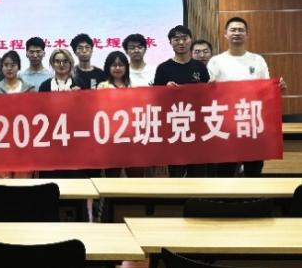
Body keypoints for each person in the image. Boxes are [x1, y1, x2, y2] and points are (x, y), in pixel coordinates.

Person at [208, 17, 287, 177]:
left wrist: (278, 89)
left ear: (247, 34)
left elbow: (266, 90)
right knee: (224, 172)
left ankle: (253, 193)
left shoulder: (257, 60)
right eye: (233, 30)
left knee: (254, 171)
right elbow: (209, 93)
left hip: (252, 123)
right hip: (226, 124)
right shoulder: (216, 61)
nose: (237, 33)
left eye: (241, 30)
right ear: (225, 34)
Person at [154, 25, 210, 177]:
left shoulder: (200, 67)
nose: (181, 42)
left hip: (198, 126)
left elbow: (208, 96)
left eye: (184, 38)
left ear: (190, 40)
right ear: (170, 43)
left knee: (199, 173)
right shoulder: (163, 68)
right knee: (177, 174)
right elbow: (156, 99)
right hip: (175, 127)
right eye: (176, 39)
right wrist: (166, 89)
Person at [98, 51, 145, 177]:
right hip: (111, 139)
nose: (117, 68)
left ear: (126, 67)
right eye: (114, 65)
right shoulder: (102, 87)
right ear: (108, 67)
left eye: (121, 65)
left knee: (136, 175)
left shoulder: (134, 88)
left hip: (132, 138)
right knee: (112, 176)